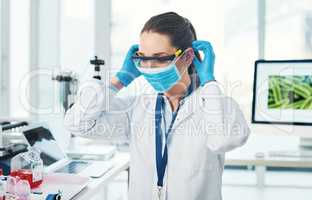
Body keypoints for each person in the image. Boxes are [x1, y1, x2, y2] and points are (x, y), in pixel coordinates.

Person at [64, 12, 250, 200]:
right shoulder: (137, 108)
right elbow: (77, 123)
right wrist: (120, 79)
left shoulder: (217, 105)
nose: (149, 67)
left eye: (160, 58)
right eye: (143, 58)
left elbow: (222, 140)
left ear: (187, 57)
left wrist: (209, 81)